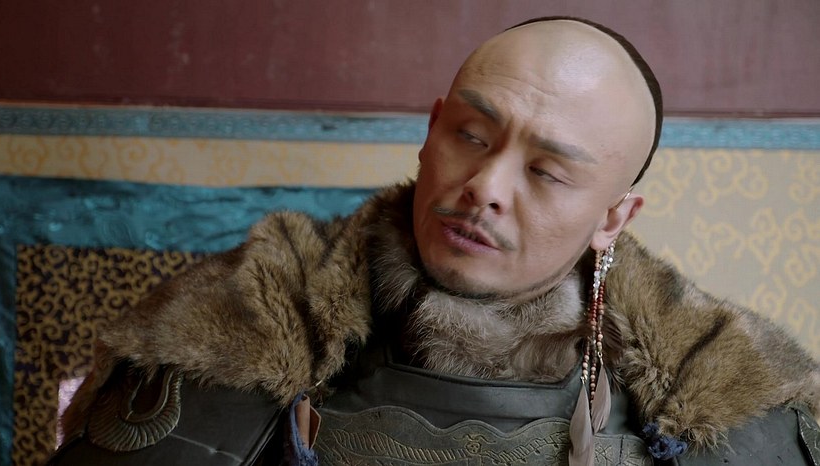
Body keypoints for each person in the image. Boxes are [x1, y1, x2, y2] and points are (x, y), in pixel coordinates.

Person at [48, 16, 820, 466]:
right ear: (430, 131)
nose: (485, 185)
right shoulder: (236, 329)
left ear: (613, 218)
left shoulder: (726, 391)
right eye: (471, 136)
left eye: (546, 172)